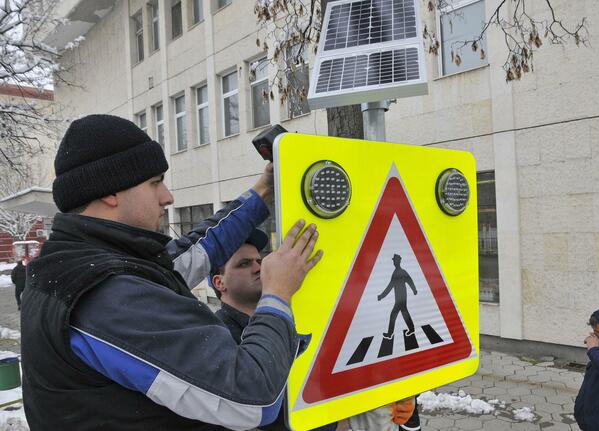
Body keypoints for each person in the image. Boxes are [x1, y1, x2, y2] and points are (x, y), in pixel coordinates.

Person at [20, 114, 322, 431]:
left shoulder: (87, 263)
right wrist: (277, 295)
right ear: (110, 192)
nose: (168, 196)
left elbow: (201, 250)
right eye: (155, 182)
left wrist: (262, 191)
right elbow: (251, 398)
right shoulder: (104, 294)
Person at [209, 229, 336, 431]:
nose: (258, 268)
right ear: (219, 282)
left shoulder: (291, 320)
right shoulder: (216, 335)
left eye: (260, 261)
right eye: (244, 264)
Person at [377, 254, 417, 340]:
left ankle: (390, 333)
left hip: (400, 299)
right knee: (404, 312)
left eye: (395, 261)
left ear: (398, 261)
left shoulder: (400, 272)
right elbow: (390, 286)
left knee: (394, 314)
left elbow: (409, 281)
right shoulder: (397, 272)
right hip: (401, 298)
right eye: (393, 261)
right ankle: (411, 329)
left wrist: (414, 290)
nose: (394, 262)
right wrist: (382, 296)